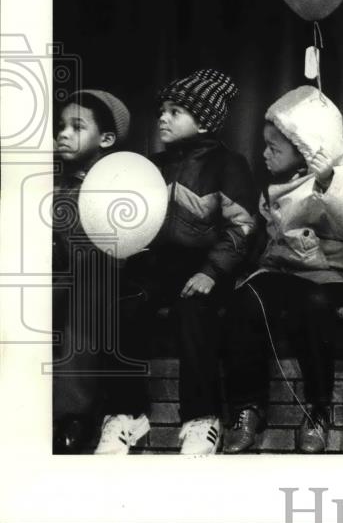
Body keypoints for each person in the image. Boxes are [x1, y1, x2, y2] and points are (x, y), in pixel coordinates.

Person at [95, 68, 256, 455]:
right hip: (156, 268)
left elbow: (244, 227)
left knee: (194, 311)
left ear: (203, 120)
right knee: (119, 304)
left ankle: (202, 420)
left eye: (175, 111)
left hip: (204, 270)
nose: (162, 117)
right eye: (161, 110)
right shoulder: (152, 166)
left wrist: (211, 270)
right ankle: (127, 417)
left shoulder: (228, 165)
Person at [224, 86, 343, 454]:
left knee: (315, 306)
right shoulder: (274, 185)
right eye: (266, 145)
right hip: (282, 274)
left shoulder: (341, 177)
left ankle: (319, 409)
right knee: (245, 302)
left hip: (327, 274)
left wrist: (327, 183)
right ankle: (248, 406)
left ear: (306, 149)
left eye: (275, 147)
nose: (265, 154)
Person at [51, 89, 131, 453]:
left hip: (98, 279)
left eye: (77, 127)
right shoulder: (48, 184)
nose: (63, 133)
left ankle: (73, 414)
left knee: (85, 293)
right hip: (53, 277)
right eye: (61, 126)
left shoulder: (116, 186)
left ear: (107, 139)